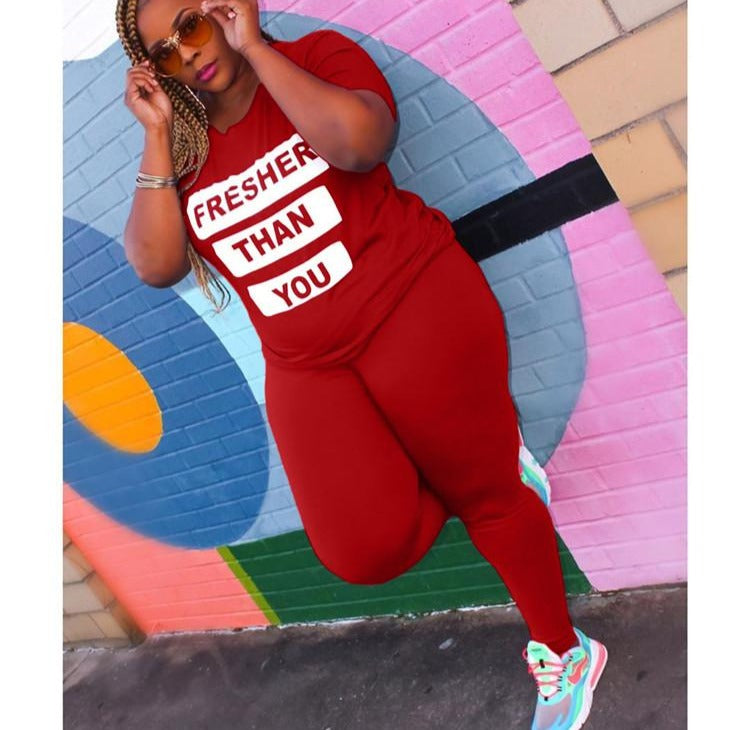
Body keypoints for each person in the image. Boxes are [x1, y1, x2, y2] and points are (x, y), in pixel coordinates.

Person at [116, 1, 607, 727]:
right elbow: (155, 265)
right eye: (164, 52)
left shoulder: (315, 58)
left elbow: (359, 145)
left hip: (411, 305)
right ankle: (485, 470)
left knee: (491, 503)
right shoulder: (185, 153)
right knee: (361, 551)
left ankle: (564, 649)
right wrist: (157, 134)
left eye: (190, 25)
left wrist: (258, 51)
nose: (187, 54)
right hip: (307, 363)